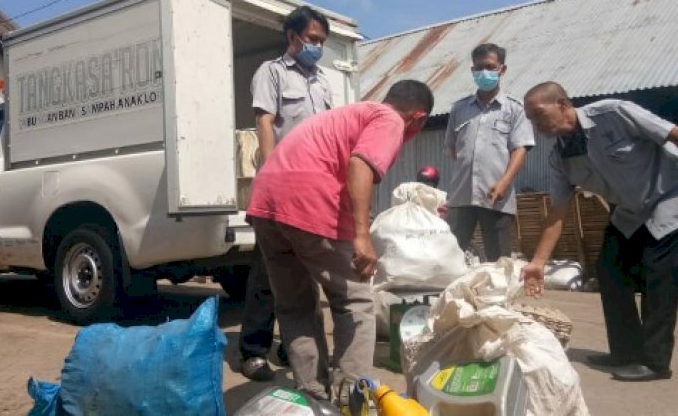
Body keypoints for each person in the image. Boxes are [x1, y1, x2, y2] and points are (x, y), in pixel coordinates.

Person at [247, 80, 433, 402]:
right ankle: (351, 398)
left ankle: (313, 396)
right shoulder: (389, 119)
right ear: (418, 117)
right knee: (355, 300)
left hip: (265, 203)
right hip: (306, 199)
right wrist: (362, 236)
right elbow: (360, 164)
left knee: (295, 305)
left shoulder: (349, 113)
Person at [521, 81, 678, 382]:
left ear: (563, 105)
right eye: (530, 118)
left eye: (539, 114)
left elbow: (671, 133)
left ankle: (655, 362)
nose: (535, 124)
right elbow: (558, 212)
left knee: (658, 275)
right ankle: (624, 352)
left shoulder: (615, 113)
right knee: (609, 270)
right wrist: (538, 263)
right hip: (629, 212)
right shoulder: (560, 157)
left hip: (669, 198)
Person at [240, 5, 333, 381]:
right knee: (268, 271)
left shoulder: (323, 80)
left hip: (315, 187)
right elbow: (264, 120)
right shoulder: (272, 72)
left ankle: (293, 344)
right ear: (292, 36)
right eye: (312, 39)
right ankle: (253, 350)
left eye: (322, 41)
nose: (317, 47)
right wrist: (273, 171)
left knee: (306, 273)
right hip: (282, 184)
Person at [444, 43, 535, 261]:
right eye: (478, 67)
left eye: (490, 66)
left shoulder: (515, 108)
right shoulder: (459, 109)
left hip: (496, 195)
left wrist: (504, 182)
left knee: (499, 259)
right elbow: (453, 149)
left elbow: (520, 149)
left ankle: (500, 296)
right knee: (451, 256)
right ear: (472, 71)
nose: (484, 72)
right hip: (461, 196)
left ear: (502, 70)